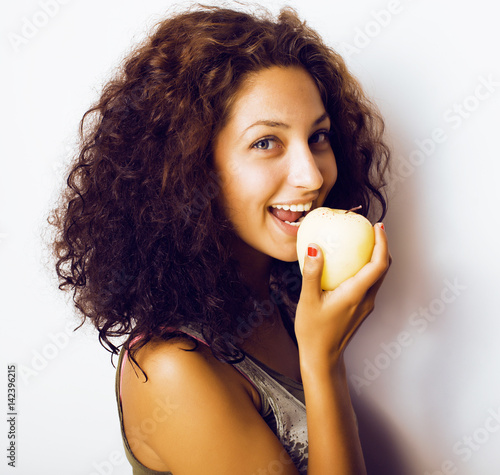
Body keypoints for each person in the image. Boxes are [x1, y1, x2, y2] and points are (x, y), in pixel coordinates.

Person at [50, 4, 391, 474]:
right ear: (191, 167)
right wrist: (323, 361)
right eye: (266, 142)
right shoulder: (173, 370)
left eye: (319, 137)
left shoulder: (284, 299)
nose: (312, 176)